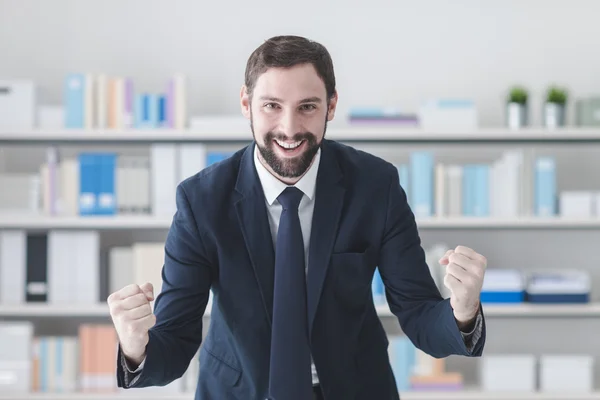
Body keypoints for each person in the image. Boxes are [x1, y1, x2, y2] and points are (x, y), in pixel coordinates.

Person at [108, 35, 487, 400]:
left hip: (355, 389)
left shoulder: (376, 186)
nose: (289, 129)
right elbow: (175, 338)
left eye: (307, 106)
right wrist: (135, 345)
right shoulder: (201, 202)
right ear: (246, 103)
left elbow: (419, 314)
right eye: (271, 105)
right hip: (240, 392)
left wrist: (464, 311)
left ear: (331, 106)